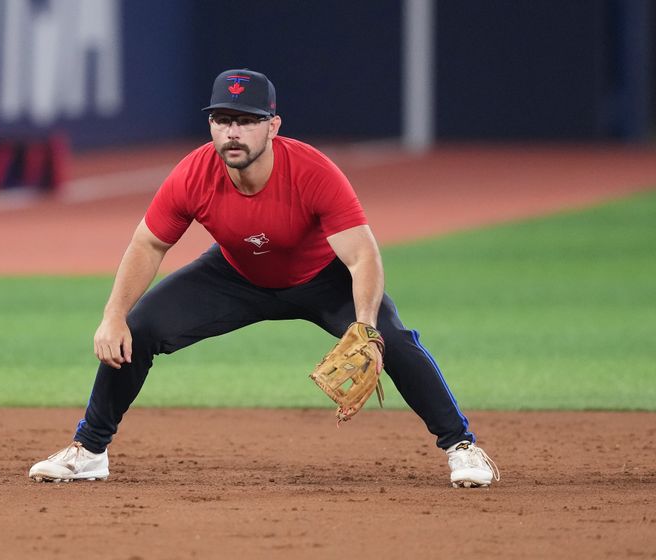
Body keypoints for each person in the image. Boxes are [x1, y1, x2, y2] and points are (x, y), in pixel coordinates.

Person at [29, 69, 499, 488]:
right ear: (211, 125)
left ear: (273, 126)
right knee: (137, 330)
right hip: (234, 275)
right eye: (222, 120)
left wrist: (365, 327)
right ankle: (89, 451)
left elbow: (362, 257)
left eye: (247, 120)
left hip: (320, 277)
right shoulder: (193, 174)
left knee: (393, 340)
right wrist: (113, 316)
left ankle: (461, 446)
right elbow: (148, 245)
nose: (233, 132)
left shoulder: (313, 172)